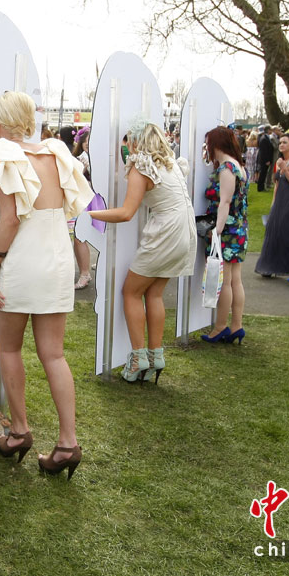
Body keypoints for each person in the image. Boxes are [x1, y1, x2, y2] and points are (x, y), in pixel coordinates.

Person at [0, 91, 93, 479]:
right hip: (57, 261)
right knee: (54, 355)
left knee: (10, 348)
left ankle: (19, 432)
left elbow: (9, 220)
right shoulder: (55, 152)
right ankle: (68, 443)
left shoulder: (4, 156)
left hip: (22, 262)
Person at [88, 120, 195, 383]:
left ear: (136, 141)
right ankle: (155, 355)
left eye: (128, 140)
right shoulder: (169, 165)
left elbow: (126, 212)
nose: (126, 146)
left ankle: (138, 359)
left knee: (131, 292)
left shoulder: (142, 166)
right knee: (154, 293)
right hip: (184, 231)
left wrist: (88, 214)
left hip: (166, 234)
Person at [201, 126, 249, 344]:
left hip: (227, 230)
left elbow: (225, 202)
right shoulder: (238, 166)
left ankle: (221, 326)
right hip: (238, 227)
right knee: (235, 280)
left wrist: (217, 230)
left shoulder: (227, 168)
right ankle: (236, 325)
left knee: (226, 281)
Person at [255, 133, 289, 277]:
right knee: (273, 229)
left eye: (285, 142)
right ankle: (269, 265)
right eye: (280, 143)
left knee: (288, 228)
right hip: (279, 200)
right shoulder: (279, 161)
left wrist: (285, 170)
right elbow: (276, 185)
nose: (281, 145)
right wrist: (273, 204)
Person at [71, 127, 93, 290]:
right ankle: (84, 273)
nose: (88, 144)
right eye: (86, 142)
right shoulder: (77, 159)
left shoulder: (101, 160)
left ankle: (85, 273)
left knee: (80, 237)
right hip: (81, 202)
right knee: (79, 237)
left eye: (90, 142)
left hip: (94, 202)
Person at [256, 126, 274, 192]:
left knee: (264, 173)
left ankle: (262, 187)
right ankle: (260, 187)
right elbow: (264, 151)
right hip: (264, 160)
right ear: (268, 130)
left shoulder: (266, 137)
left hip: (265, 159)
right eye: (270, 130)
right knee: (262, 174)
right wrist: (267, 160)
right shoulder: (264, 139)